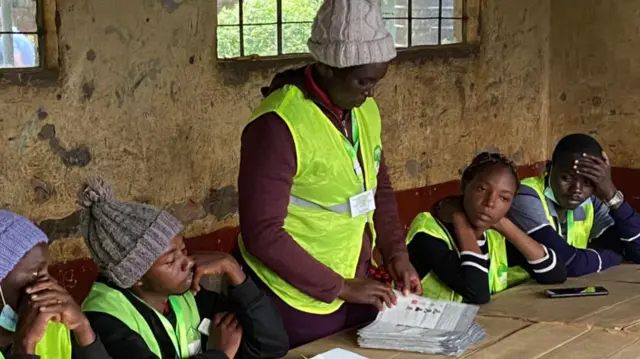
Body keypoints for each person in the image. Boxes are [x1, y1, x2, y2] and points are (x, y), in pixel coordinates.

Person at [237, 0, 421, 347]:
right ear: (329, 68)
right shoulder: (278, 125)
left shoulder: (363, 111)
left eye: (375, 83)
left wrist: (397, 255)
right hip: (295, 297)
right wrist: (341, 286)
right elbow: (262, 233)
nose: (370, 93)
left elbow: (378, 187)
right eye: (363, 81)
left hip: (355, 280)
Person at [77, 178, 289, 359]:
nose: (187, 262)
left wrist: (233, 270)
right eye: (170, 261)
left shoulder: (182, 292)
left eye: (184, 250)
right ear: (135, 276)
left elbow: (271, 346)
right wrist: (220, 354)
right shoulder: (105, 321)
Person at [406, 153, 567, 304]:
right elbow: (477, 292)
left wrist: (502, 223)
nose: (490, 203)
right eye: (482, 189)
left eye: (504, 198)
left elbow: (556, 274)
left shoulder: (493, 236)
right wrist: (461, 221)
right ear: (464, 185)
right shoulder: (427, 231)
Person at [508, 133, 640, 277]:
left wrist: (611, 194)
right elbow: (568, 263)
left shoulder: (589, 204)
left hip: (555, 289)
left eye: (588, 182)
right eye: (566, 178)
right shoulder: (523, 196)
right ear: (549, 168)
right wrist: (616, 257)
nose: (576, 190)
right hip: (512, 292)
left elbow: (637, 250)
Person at [0, 210, 109, 359]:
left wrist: (84, 331)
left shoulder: (53, 324)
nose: (51, 284)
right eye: (35, 274)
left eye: (47, 271)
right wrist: (24, 348)